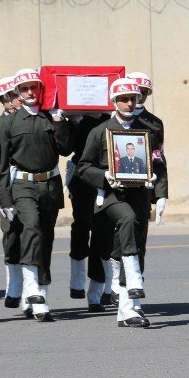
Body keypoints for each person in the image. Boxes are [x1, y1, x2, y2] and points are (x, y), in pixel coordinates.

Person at [77, 79, 166, 327]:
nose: (129, 103)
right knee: (126, 220)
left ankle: (129, 311)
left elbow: (158, 161)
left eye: (133, 98)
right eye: (124, 98)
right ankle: (135, 280)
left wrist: (160, 190)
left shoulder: (147, 131)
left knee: (137, 243)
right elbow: (83, 167)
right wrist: (104, 176)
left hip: (139, 195)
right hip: (110, 196)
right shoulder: (100, 131)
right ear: (113, 101)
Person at [0, 68, 73, 322]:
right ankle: (31, 288)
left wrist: (60, 122)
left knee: (46, 238)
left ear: (41, 90)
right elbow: (2, 165)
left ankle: (42, 294)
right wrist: (5, 199)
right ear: (18, 92)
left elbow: (66, 149)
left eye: (34, 88)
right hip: (23, 186)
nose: (30, 92)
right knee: (32, 228)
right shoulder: (9, 122)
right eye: (25, 89)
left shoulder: (50, 118)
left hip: (49, 184)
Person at [65, 107, 112, 310]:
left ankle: (97, 292)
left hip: (105, 178)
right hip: (82, 179)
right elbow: (65, 148)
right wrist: (67, 120)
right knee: (81, 227)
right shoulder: (76, 119)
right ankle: (77, 282)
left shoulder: (110, 119)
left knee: (102, 235)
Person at [0, 76, 25, 307]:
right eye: (13, 96)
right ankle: (13, 285)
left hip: (28, 183)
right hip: (6, 184)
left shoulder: (33, 119)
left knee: (31, 235)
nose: (19, 99)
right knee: (11, 235)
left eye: (19, 94)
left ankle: (30, 287)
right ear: (4, 99)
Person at [127, 71, 168, 227]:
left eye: (144, 92)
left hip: (143, 188)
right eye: (137, 91)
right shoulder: (112, 120)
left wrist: (161, 194)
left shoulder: (155, 123)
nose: (140, 96)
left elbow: (159, 159)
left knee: (139, 238)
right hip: (114, 189)